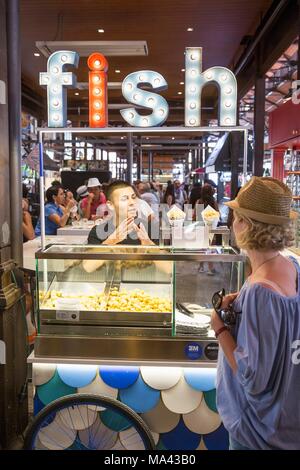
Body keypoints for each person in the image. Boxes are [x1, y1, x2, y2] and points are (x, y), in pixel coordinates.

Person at [211, 176, 299, 450]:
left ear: (245, 225)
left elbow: (252, 377)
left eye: (235, 216)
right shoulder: (291, 264)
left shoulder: (262, 291)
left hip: (258, 430)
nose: (232, 222)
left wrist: (220, 328)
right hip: (287, 418)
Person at [83, 181, 160, 273]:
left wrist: (147, 243)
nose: (132, 203)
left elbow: (168, 269)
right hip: (110, 284)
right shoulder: (98, 231)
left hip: (144, 284)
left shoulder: (148, 229)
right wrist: (111, 241)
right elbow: (88, 267)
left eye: (133, 197)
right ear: (110, 205)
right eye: (124, 199)